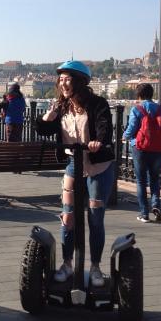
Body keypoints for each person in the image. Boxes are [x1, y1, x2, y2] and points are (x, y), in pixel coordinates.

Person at [35, 60, 115, 286]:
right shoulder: (61, 107)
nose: (63, 83)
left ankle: (96, 267)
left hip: (98, 166)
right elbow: (43, 130)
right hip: (73, 163)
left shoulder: (98, 103)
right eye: (60, 79)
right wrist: (45, 119)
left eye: (68, 79)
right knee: (68, 216)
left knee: (95, 217)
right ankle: (67, 263)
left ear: (80, 81)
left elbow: (104, 125)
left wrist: (99, 141)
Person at [122, 83, 161, 223]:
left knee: (141, 181)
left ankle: (144, 214)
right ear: (152, 94)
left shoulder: (137, 109)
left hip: (140, 148)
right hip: (158, 149)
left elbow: (131, 128)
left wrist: (125, 136)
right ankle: (156, 205)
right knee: (155, 179)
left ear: (139, 95)